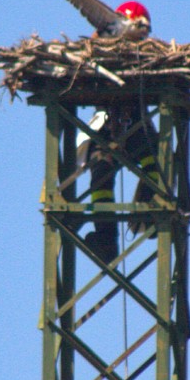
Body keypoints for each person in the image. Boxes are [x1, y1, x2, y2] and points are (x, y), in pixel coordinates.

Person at [77, 100, 160, 264]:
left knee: (155, 162)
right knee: (100, 177)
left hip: (136, 119)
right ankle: (106, 239)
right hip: (106, 125)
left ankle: (151, 211)